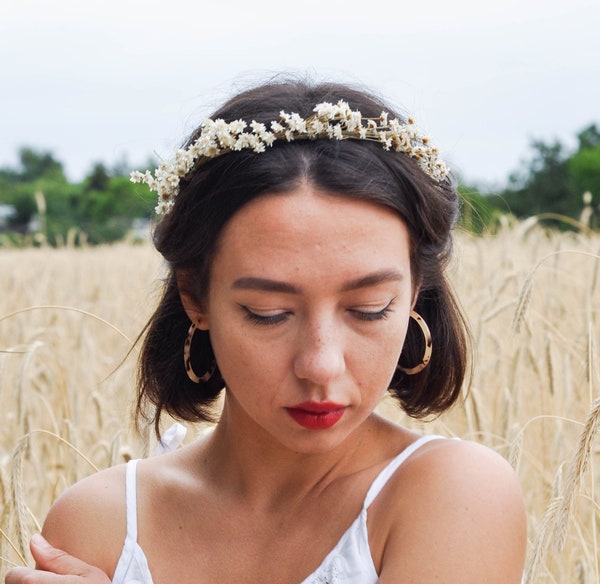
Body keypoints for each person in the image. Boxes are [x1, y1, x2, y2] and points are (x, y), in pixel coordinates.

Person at [5, 79, 526, 584]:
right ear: (194, 296)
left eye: (369, 309)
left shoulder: (453, 493)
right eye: (268, 313)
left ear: (414, 295)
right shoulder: (102, 521)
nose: (321, 364)